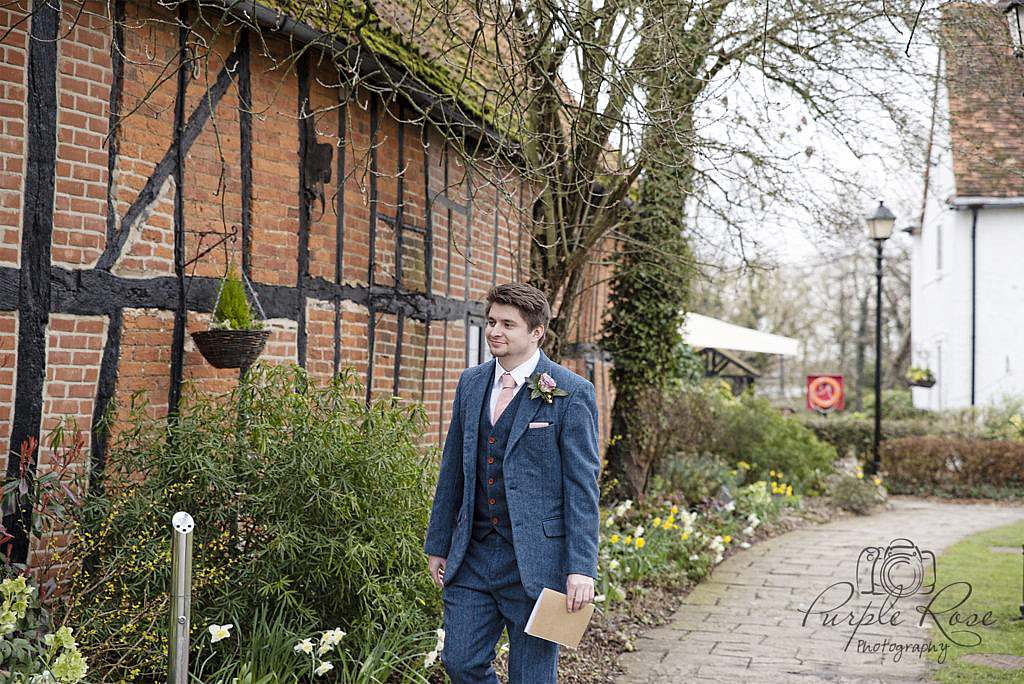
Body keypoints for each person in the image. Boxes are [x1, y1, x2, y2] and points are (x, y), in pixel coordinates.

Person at [424, 283, 601, 683]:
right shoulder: (471, 383)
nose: (494, 331)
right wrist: (438, 544)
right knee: (460, 662)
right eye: (490, 321)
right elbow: (453, 468)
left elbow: (582, 489)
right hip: (472, 555)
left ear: (536, 332)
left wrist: (581, 569)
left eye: (508, 324)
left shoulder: (572, 393)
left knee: (531, 677)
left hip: (540, 563)